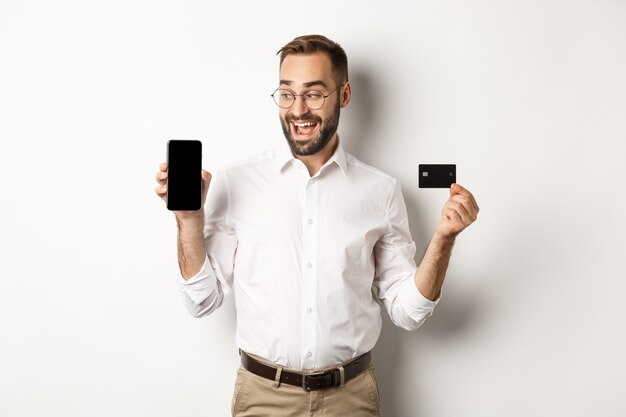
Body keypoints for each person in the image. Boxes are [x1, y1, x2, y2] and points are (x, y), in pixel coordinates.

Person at [155, 34, 479, 417]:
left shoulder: (381, 191)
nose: (298, 109)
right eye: (287, 94)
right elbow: (201, 301)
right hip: (263, 399)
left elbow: (408, 312)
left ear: (343, 95)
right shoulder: (236, 181)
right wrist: (189, 221)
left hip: (351, 399)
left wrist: (443, 239)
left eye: (314, 94)